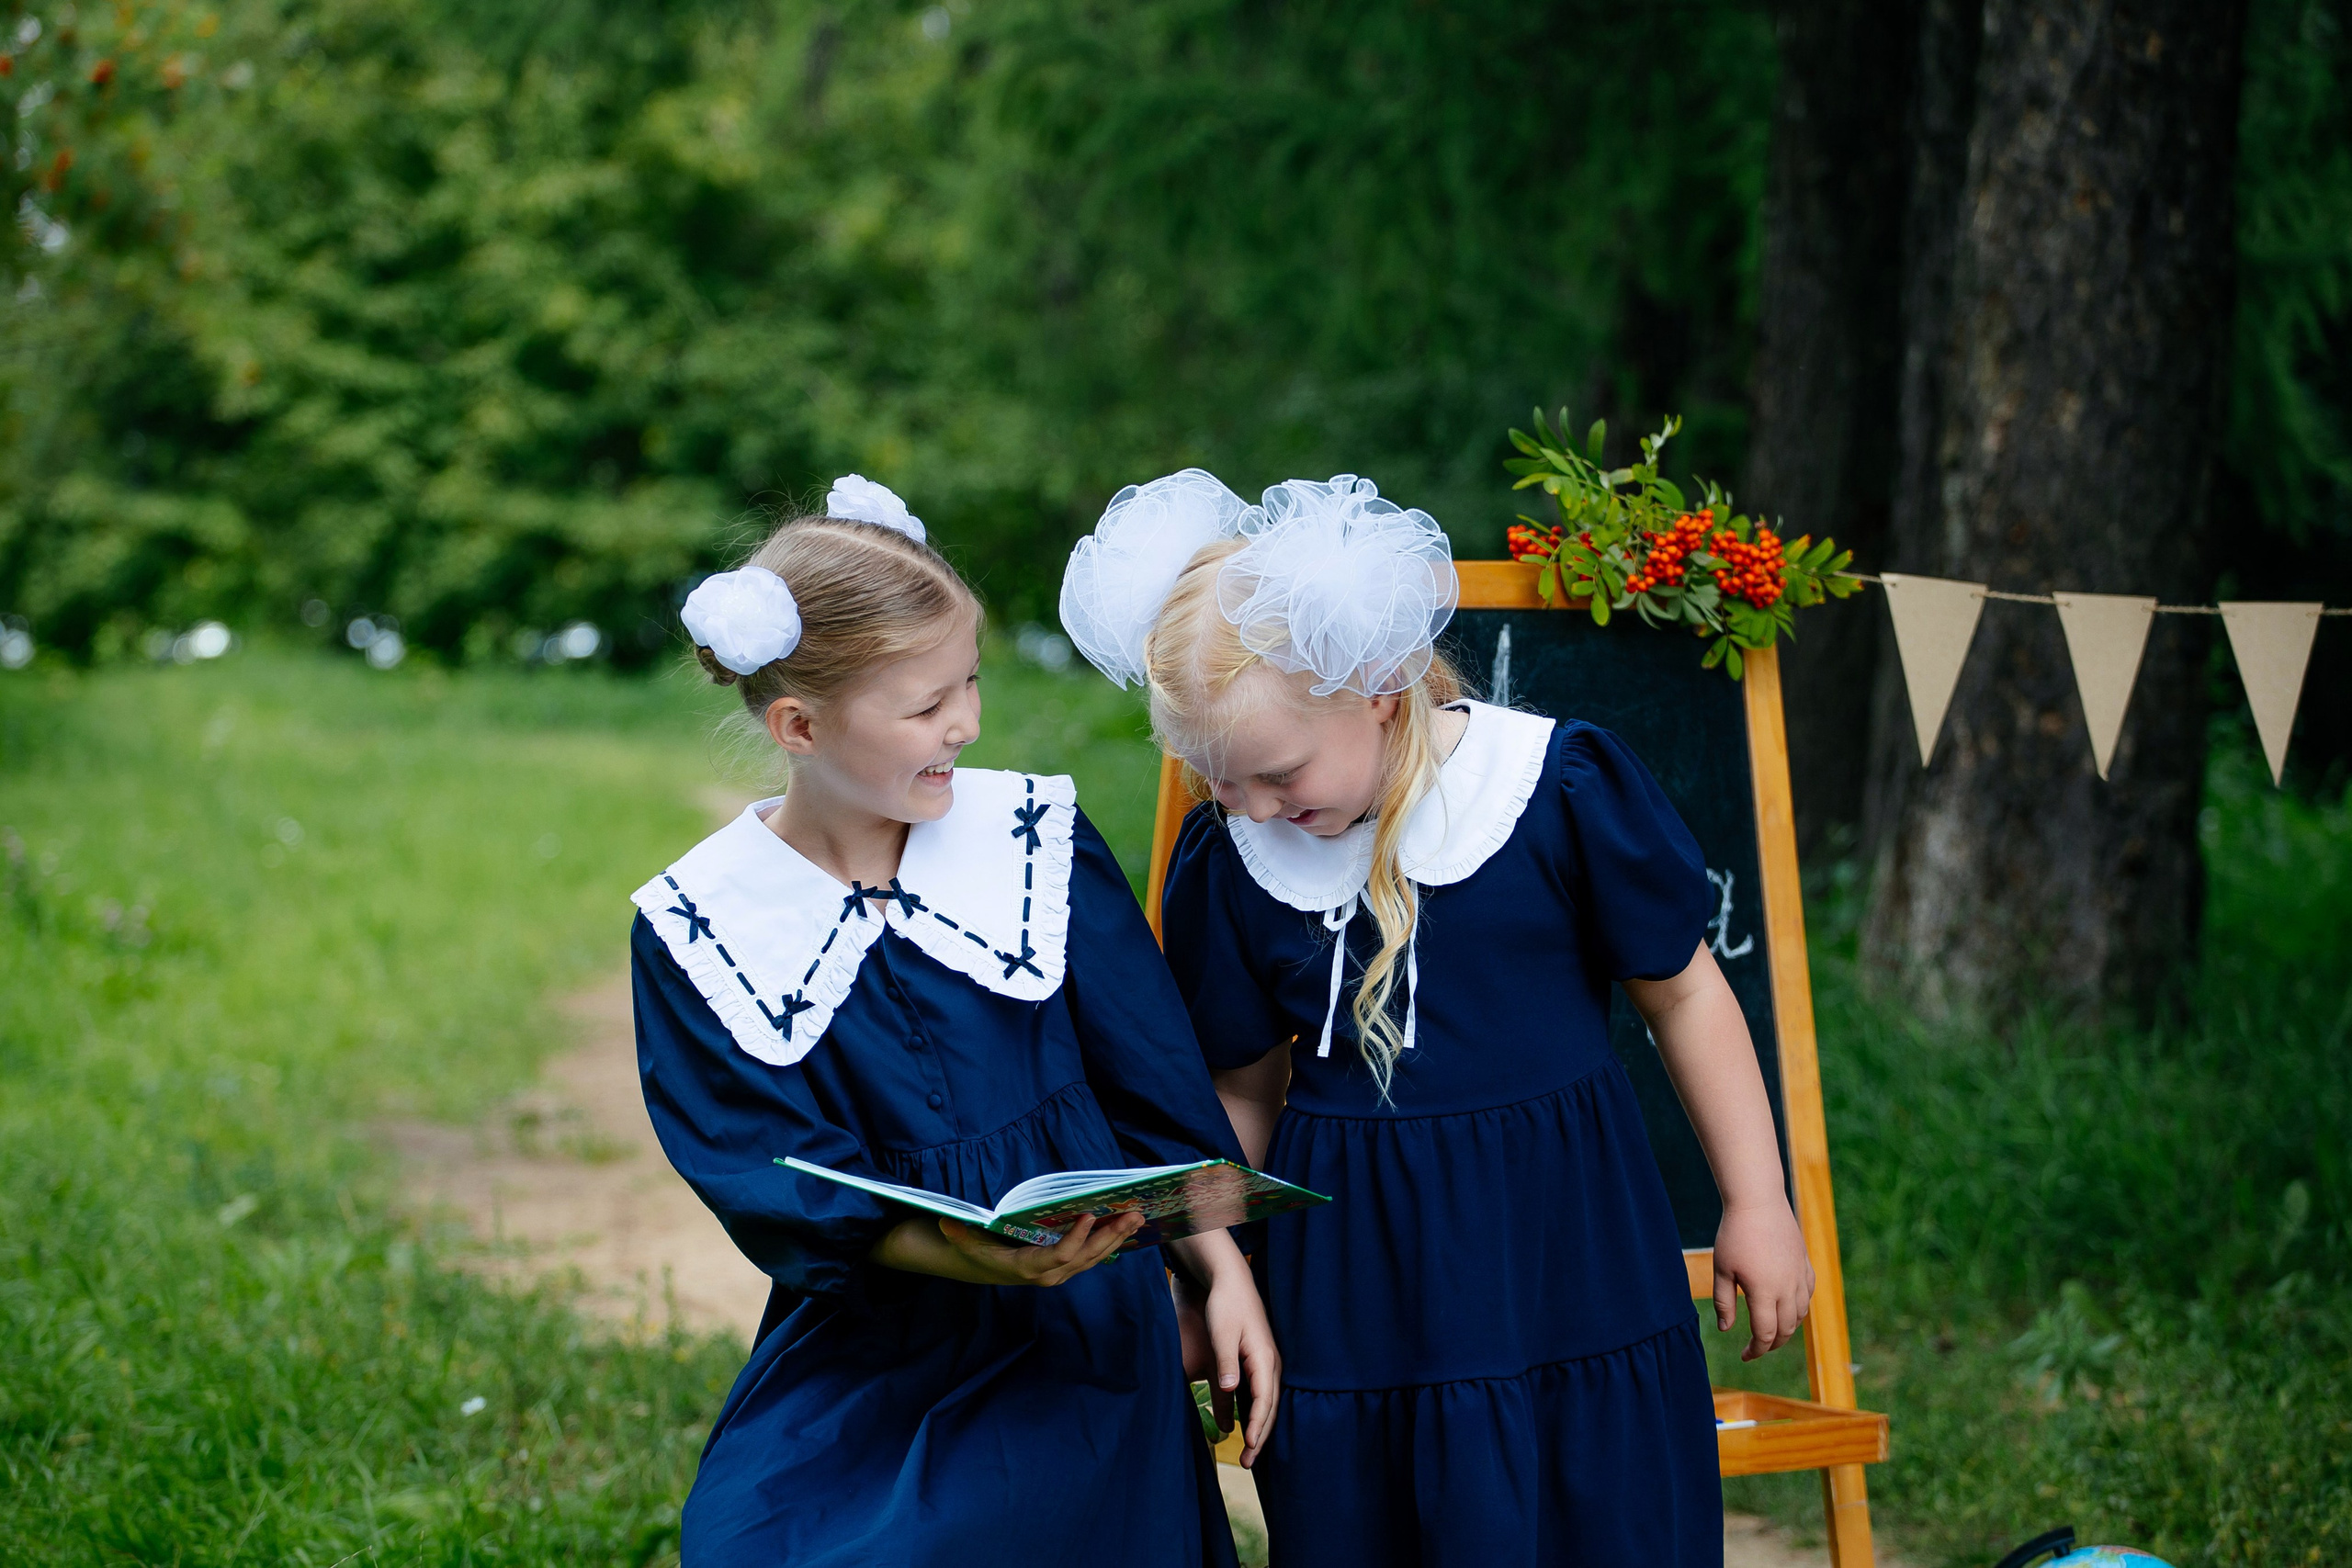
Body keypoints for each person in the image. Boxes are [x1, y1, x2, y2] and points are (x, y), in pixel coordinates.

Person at [1059, 470, 1815, 1567]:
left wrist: (1757, 1198)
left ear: (1377, 683)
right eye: (1219, 783)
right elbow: (1242, 1089)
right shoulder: (1231, 865)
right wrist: (1208, 1266)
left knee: (1598, 1515)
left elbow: (1686, 993)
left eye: (1275, 773)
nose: (1254, 808)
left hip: (1567, 1255)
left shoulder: (1553, 789)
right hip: (1354, 1286)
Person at [633, 476, 1277, 1567]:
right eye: (926, 706)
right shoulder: (701, 925)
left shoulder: (1032, 840)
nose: (965, 724)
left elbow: (1151, 1079)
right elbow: (772, 1179)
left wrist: (1222, 1274)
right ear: (799, 724)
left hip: (1081, 1325)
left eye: (969, 683)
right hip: (876, 1328)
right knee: (754, 1537)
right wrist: (974, 1259)